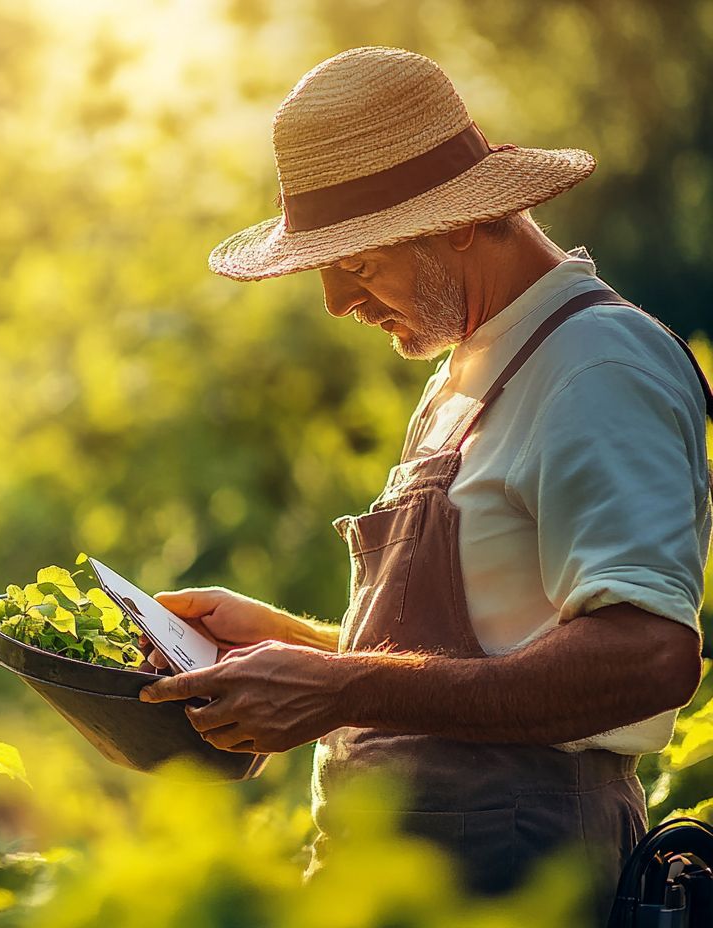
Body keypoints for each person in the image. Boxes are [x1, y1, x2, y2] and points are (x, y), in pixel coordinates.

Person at [137, 46, 712, 920]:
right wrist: (291, 648)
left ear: (456, 222)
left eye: (357, 262)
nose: (335, 300)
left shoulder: (597, 367)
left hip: (516, 879)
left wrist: (344, 688)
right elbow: (486, 649)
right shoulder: (475, 369)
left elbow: (648, 655)